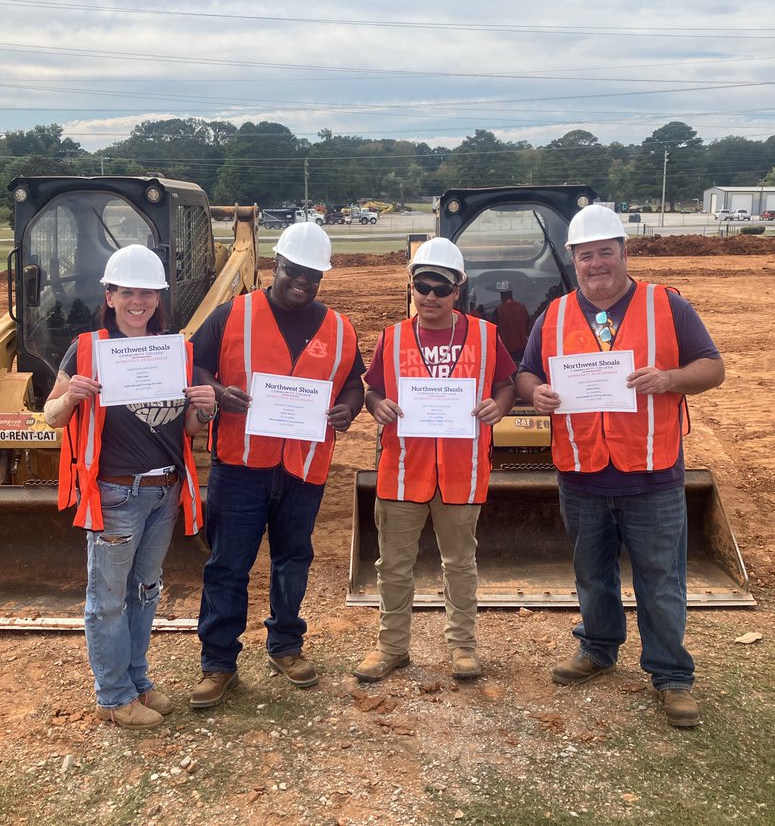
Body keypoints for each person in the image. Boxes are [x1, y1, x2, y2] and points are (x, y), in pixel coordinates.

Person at [514, 206, 725, 729]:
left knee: (661, 578)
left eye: (605, 252)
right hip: (582, 471)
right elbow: (526, 373)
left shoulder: (667, 305)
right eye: (586, 255)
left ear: (624, 253)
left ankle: (671, 675)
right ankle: (598, 647)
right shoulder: (554, 314)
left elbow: (713, 367)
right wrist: (536, 393)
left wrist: (670, 379)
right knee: (591, 572)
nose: (596, 264)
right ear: (574, 261)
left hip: (651, 471)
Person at [190, 222, 365, 708]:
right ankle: (218, 663)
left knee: (293, 561)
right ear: (275, 265)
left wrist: (348, 410)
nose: (302, 282)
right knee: (228, 565)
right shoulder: (232, 314)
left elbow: (354, 383)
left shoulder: (340, 328)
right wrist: (219, 393)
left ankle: (286, 646)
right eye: (293, 271)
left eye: (313, 275)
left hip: (303, 469)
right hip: (240, 466)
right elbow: (195, 365)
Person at [44, 244, 218, 730]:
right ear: (110, 296)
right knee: (108, 600)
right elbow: (51, 416)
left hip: (164, 492)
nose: (137, 302)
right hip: (117, 494)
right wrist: (71, 396)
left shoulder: (173, 351)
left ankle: (137, 681)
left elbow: (185, 429)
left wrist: (204, 409)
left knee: (145, 592)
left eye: (147, 293)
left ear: (158, 299)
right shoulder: (86, 349)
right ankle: (114, 696)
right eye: (127, 292)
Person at [353, 238, 516, 682]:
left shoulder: (485, 336)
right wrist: (377, 405)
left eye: (440, 288)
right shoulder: (392, 338)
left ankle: (463, 647)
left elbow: (506, 384)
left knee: (460, 564)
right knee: (393, 565)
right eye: (422, 286)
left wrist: (500, 406)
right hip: (404, 470)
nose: (430, 296)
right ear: (411, 287)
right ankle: (392, 647)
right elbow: (373, 389)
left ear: (457, 290)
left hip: (462, 472)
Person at [495, 287, 529, 363]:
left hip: (506, 351)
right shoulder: (522, 307)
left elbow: (493, 332)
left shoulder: (499, 310)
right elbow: (528, 327)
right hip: (522, 350)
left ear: (502, 296)